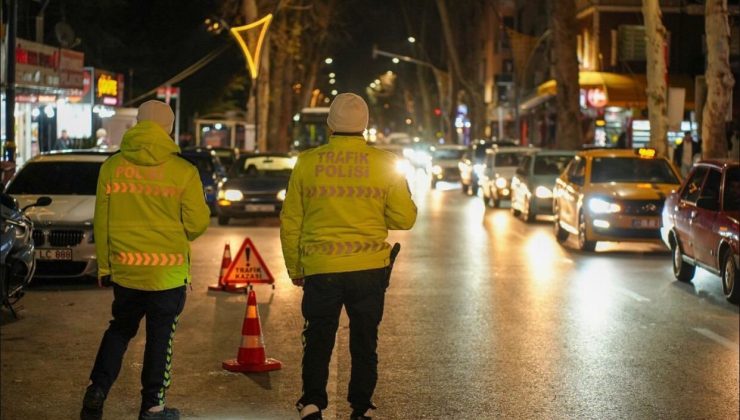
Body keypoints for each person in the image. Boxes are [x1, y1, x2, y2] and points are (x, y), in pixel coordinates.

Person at [281, 93, 417, 420]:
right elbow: (405, 218)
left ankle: (312, 403)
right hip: (369, 270)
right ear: (365, 126)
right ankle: (361, 406)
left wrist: (295, 267)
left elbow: (291, 220)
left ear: (330, 124)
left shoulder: (307, 163)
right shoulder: (385, 163)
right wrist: (370, 213)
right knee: (364, 340)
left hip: (321, 268)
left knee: (318, 338)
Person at [80, 100, 211, 420]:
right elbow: (197, 224)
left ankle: (97, 390)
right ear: (168, 128)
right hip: (166, 275)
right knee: (160, 338)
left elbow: (102, 221)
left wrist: (106, 266)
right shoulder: (183, 171)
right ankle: (153, 407)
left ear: (138, 124)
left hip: (126, 271)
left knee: (120, 330)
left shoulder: (112, 167)